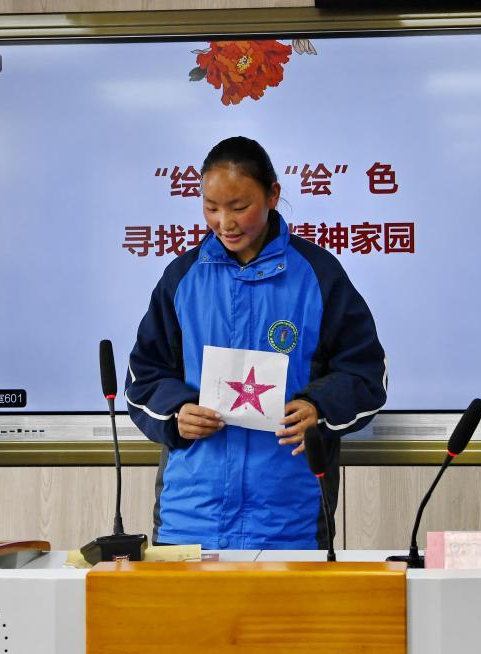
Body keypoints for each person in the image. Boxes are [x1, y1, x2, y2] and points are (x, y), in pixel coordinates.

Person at [125, 136, 387, 549]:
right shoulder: (182, 278)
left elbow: (366, 374)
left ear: (273, 195)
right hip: (190, 518)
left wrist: (319, 408)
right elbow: (144, 377)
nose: (224, 223)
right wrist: (176, 413)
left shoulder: (319, 275)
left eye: (239, 207)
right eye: (211, 207)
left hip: (291, 521)